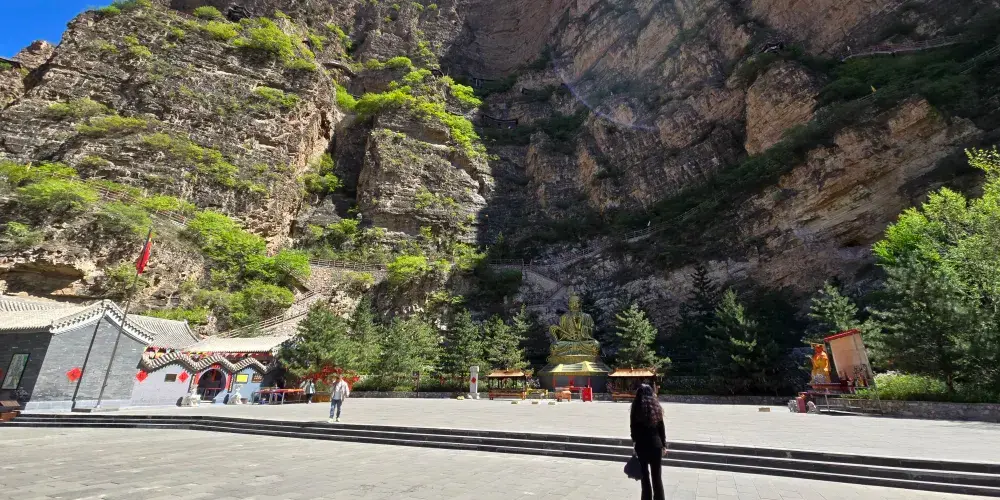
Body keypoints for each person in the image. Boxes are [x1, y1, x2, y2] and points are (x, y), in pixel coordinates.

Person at [630, 384, 666, 500]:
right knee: (657, 478)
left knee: (645, 479)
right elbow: (661, 428)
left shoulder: (636, 407)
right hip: (656, 445)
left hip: (641, 446)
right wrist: (664, 445)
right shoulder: (656, 407)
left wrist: (634, 443)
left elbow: (633, 428)